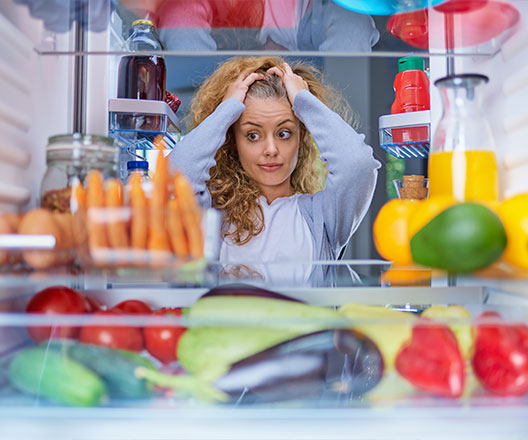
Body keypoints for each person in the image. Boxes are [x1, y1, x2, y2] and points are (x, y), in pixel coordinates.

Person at [169, 56, 380, 284]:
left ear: (302, 136)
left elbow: (357, 164)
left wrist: (303, 101)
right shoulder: (215, 217)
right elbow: (175, 176)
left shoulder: (322, 217)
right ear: (232, 141)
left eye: (284, 133)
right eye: (252, 135)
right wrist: (226, 111)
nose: (271, 149)